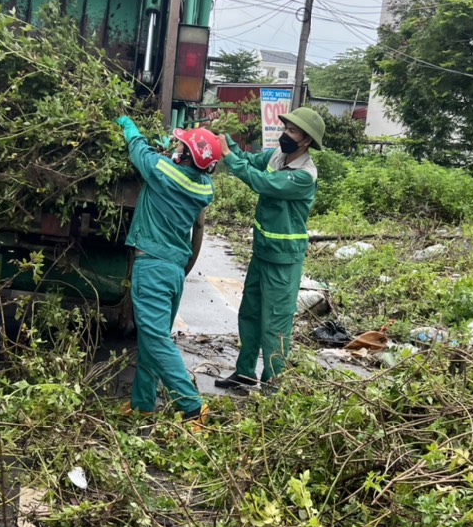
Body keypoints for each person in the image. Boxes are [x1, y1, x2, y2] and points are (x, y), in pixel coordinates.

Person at [117, 116, 222, 425]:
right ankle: (143, 404)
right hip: (173, 269)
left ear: (186, 156)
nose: (175, 148)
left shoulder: (164, 172)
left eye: (180, 145)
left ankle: (192, 406)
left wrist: (129, 127)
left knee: (153, 337)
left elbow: (139, 153)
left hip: (152, 264)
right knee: (153, 336)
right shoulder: (203, 186)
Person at [214, 106, 324, 390]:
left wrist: (228, 157)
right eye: (285, 128)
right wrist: (225, 137)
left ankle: (272, 382)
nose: (285, 135)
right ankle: (245, 371)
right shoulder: (278, 156)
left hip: (283, 261)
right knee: (249, 315)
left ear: (306, 140)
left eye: (292, 131)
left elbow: (262, 182)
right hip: (262, 254)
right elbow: (249, 159)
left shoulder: (303, 176)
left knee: (275, 325)